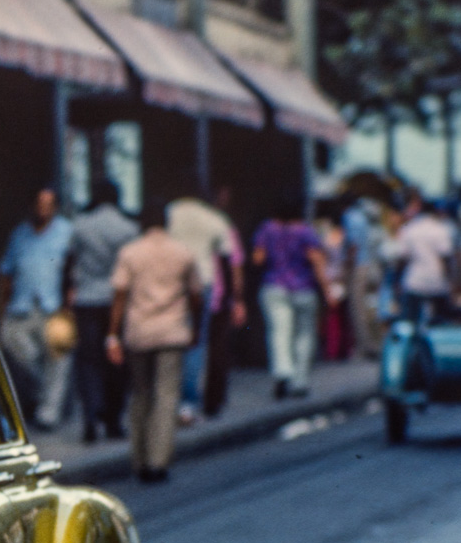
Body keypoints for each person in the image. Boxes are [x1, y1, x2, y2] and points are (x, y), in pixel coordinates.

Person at [107, 201, 200, 484]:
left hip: (139, 332)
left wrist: (113, 334)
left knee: (141, 396)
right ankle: (158, 461)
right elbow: (197, 293)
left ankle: (140, 459)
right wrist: (193, 323)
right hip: (172, 331)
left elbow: (119, 296)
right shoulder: (182, 253)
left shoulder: (130, 253)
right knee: (166, 396)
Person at [0, 188, 76, 431]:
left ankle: (48, 412)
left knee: (59, 359)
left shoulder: (67, 232)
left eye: (49, 204)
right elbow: (6, 272)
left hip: (55, 306)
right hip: (22, 305)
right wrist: (2, 306)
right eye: (39, 203)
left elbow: (74, 267)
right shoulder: (20, 234)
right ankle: (43, 396)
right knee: (19, 352)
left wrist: (70, 302)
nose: (43, 209)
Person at [67, 180, 137, 443]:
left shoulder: (80, 226)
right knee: (116, 361)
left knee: (88, 361)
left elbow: (70, 260)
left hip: (86, 300)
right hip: (116, 301)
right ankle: (113, 420)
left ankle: (89, 417)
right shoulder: (128, 228)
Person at [166, 188, 244, 422]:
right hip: (206, 285)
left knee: (171, 344)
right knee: (197, 343)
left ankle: (170, 401)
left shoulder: (170, 213)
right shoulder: (215, 219)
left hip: (171, 284)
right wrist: (236, 298)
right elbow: (232, 260)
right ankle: (188, 403)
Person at [250, 201, 334, 400]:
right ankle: (300, 381)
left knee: (279, 332)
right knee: (304, 334)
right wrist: (327, 290)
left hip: (274, 286)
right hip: (303, 287)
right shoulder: (305, 232)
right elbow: (317, 261)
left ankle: (282, 372)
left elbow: (258, 259)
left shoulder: (267, 229)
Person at [384, 192, 457, 325]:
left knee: (410, 322)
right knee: (438, 324)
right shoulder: (440, 229)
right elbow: (446, 258)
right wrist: (451, 281)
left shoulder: (409, 229)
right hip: (437, 282)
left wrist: (397, 282)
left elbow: (402, 258)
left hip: (414, 282)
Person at [341, 193, 389, 361]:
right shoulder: (373, 224)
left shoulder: (350, 217)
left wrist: (346, 266)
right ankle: (378, 342)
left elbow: (353, 245)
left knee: (359, 310)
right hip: (374, 268)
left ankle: (366, 346)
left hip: (359, 267)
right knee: (374, 307)